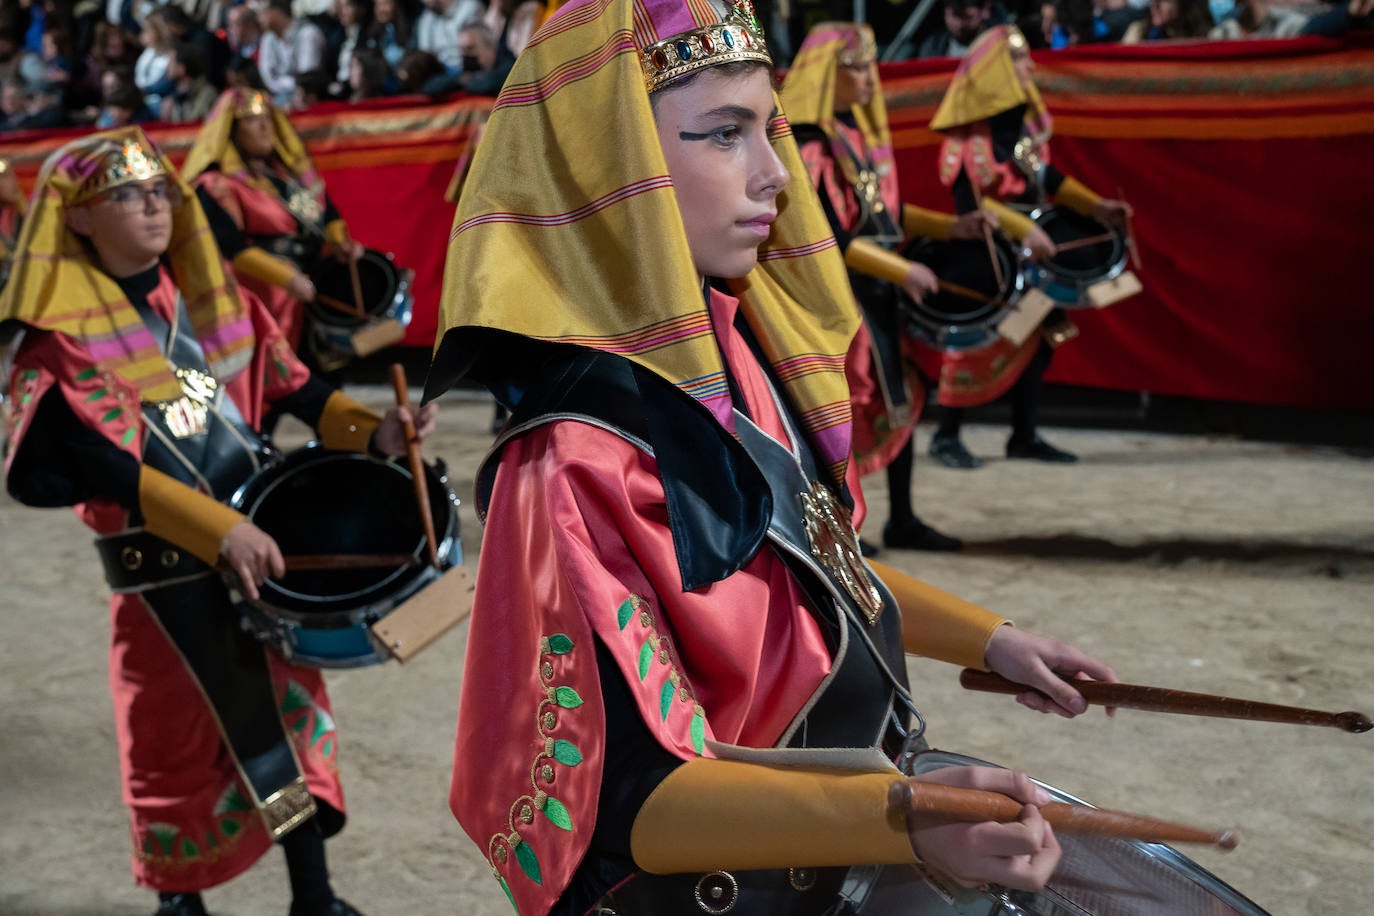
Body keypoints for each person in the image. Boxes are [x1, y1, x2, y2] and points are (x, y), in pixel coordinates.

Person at [425, 0, 1117, 913]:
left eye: (769, 130)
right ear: (613, 166)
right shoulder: (576, 453)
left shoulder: (734, 352)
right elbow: (624, 805)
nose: (775, 173)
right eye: (725, 135)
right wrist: (904, 816)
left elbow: (804, 562)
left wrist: (993, 640)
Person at [0, 126, 435, 916]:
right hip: (162, 581)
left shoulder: (211, 302)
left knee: (292, 726)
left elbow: (294, 392)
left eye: (158, 191)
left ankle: (317, 899)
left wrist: (368, 429)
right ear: (79, 220)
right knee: (173, 744)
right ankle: (181, 904)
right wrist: (215, 530)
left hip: (258, 555)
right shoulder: (58, 345)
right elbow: (107, 471)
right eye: (125, 196)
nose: (153, 207)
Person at [926, 25, 1131, 469]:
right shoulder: (969, 141)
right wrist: (1022, 229)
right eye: (1020, 60)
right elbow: (971, 210)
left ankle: (1024, 435)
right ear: (999, 70)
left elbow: (1047, 179)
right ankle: (946, 435)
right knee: (978, 345)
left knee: (1038, 342)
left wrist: (1098, 208)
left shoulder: (1017, 130)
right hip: (989, 258)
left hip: (1032, 257)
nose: (1031, 66)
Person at [181, 88, 363, 367]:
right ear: (231, 130)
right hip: (260, 297)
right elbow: (231, 248)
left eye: (267, 117)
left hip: (305, 290)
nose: (266, 127)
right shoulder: (216, 186)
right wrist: (287, 278)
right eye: (253, 120)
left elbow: (325, 213)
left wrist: (340, 241)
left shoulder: (283, 175)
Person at [259, 0, 327, 106]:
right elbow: (268, 77)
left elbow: (307, 78)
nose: (259, 18)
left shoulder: (308, 33)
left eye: (263, 12)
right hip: (278, 96)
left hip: (307, 96)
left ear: (277, 12)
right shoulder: (268, 38)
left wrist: (291, 85)